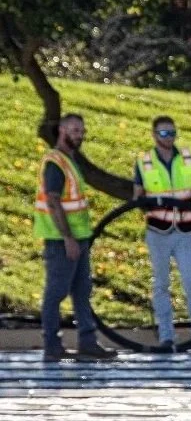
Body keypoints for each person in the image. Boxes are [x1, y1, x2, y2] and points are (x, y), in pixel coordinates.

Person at [34, 113, 117, 362]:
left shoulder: (69, 161)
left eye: (81, 131)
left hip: (79, 238)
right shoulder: (55, 163)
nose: (78, 135)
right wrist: (68, 237)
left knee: (82, 291)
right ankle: (51, 345)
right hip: (62, 240)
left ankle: (88, 343)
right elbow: (52, 200)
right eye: (73, 130)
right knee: (56, 292)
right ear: (61, 130)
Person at [133, 116, 191, 353]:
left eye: (172, 133)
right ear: (154, 135)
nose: (169, 137)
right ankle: (166, 337)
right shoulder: (144, 162)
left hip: (185, 231)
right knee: (161, 285)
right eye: (163, 133)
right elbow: (138, 198)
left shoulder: (188, 158)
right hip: (158, 232)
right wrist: (151, 204)